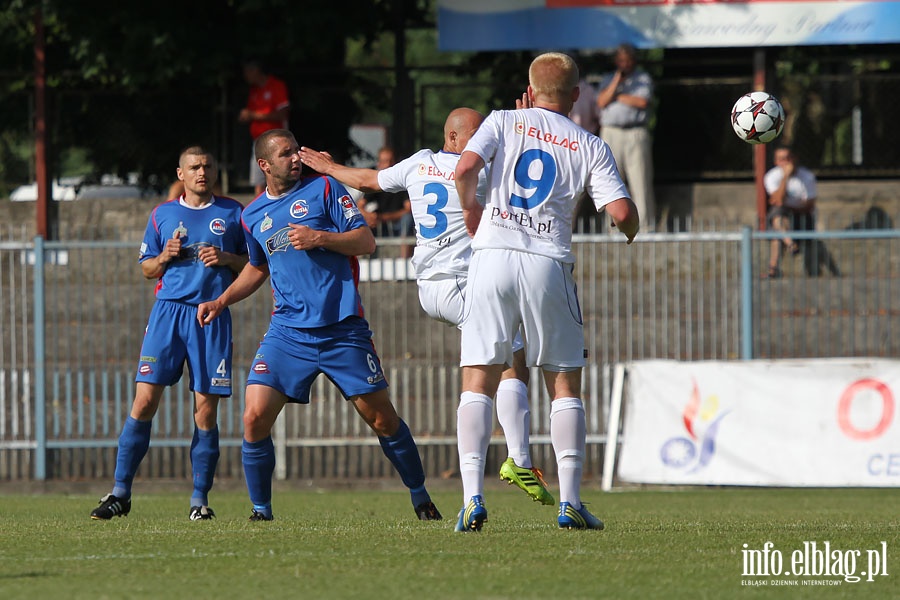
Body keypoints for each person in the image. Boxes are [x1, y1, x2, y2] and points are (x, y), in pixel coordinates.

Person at [298, 108, 554, 507]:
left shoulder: (420, 163)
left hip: (429, 287)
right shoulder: (480, 173)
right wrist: (531, 126)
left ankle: (512, 462)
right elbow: (531, 173)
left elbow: (367, 181)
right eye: (477, 135)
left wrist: (329, 167)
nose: (486, 142)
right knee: (503, 364)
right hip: (461, 284)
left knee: (508, 355)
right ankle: (515, 461)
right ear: (453, 139)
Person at [196, 129, 442, 522]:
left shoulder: (325, 188)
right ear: (264, 165)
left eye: (296, 151)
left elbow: (365, 241)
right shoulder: (252, 214)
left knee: (382, 418)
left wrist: (320, 237)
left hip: (341, 329)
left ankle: (420, 495)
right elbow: (258, 267)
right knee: (253, 417)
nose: (295, 158)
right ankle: (261, 511)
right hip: (287, 333)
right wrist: (222, 300)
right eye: (285, 154)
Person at [454, 52, 639, 532]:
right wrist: (632, 226)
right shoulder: (589, 143)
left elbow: (464, 168)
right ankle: (570, 502)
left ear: (530, 89)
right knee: (562, 383)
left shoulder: (501, 120)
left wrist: (475, 215)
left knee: (478, 379)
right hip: (547, 263)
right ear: (578, 95)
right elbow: (620, 214)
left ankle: (473, 497)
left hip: (491, 257)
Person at [90, 147, 248, 521]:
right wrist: (164, 257)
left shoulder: (234, 213)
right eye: (194, 167)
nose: (202, 172)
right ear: (181, 173)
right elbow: (147, 269)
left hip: (211, 315)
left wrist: (226, 259)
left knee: (205, 411)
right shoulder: (162, 214)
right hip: (168, 314)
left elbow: (253, 264)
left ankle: (199, 501)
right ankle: (119, 493)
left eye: (208, 166)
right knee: (144, 402)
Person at [596, 43, 655, 231]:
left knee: (639, 179)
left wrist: (618, 97)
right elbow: (602, 101)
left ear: (633, 61)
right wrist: (616, 84)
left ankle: (645, 227)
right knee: (611, 181)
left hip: (634, 132)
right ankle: (614, 228)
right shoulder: (608, 79)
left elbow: (642, 101)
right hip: (611, 132)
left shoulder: (643, 79)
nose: (624, 64)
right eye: (621, 60)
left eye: (627, 60)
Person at [763, 145, 839, 278]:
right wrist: (785, 177)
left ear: (794, 159)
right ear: (776, 162)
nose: (785, 162)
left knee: (779, 226)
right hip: (783, 217)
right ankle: (789, 245)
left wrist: (789, 206)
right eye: (781, 159)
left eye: (788, 158)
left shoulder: (807, 176)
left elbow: (809, 205)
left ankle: (778, 261)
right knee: (778, 218)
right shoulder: (772, 176)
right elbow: (778, 200)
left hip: (802, 216)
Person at [238, 60, 290, 197]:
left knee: (280, 176)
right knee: (258, 181)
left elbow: (282, 113)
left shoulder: (276, 86)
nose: (245, 76)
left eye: (247, 72)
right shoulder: (255, 90)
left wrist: (253, 115)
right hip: (258, 141)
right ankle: (260, 212)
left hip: (276, 141)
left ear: (255, 70)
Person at [357, 147, 414, 258]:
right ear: (379, 163)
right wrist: (368, 216)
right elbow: (359, 206)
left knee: (407, 219)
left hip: (397, 223)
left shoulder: (403, 181)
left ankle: (403, 259)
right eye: (384, 161)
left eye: (390, 161)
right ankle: (362, 257)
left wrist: (383, 217)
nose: (387, 165)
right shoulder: (375, 181)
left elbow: (409, 209)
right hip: (377, 223)